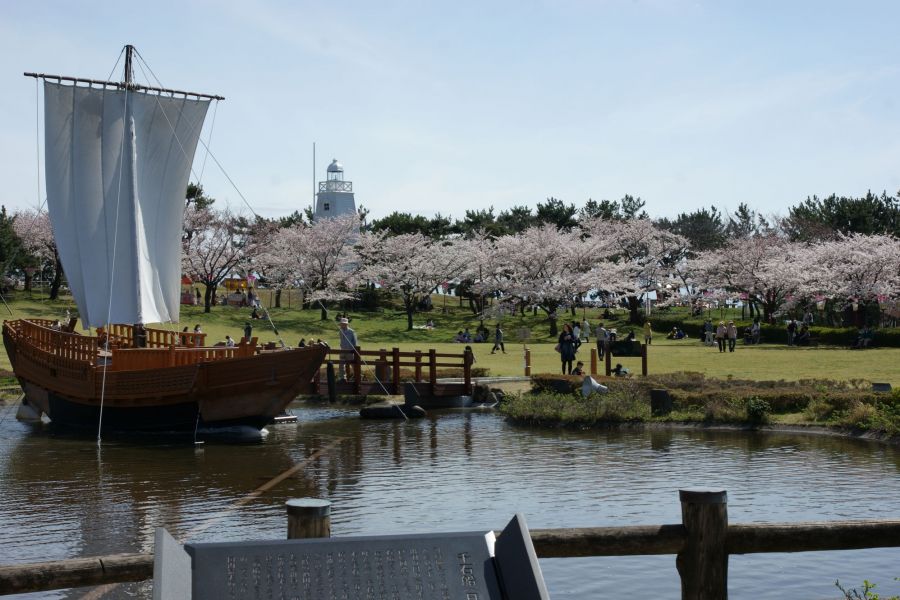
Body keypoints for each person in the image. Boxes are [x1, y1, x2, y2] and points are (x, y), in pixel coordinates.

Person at [338, 317, 358, 381]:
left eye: (343, 324)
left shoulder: (352, 332)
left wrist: (354, 350)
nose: (341, 325)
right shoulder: (340, 331)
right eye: (341, 324)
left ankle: (357, 376)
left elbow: (355, 342)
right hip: (342, 350)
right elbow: (341, 340)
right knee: (341, 364)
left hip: (350, 351)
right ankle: (342, 378)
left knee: (353, 364)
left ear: (346, 324)